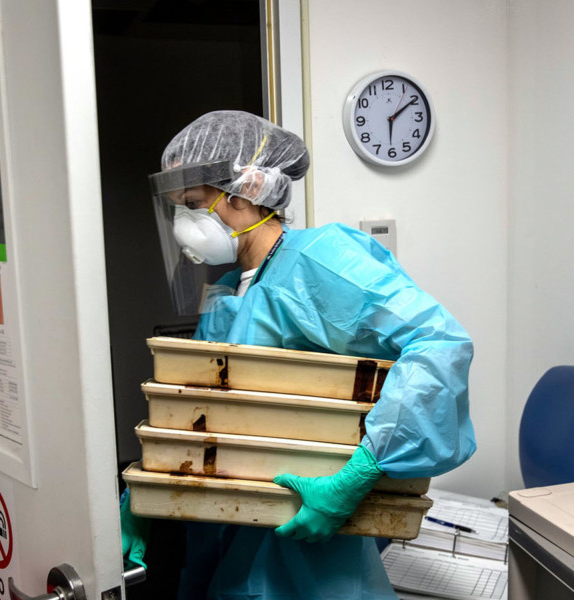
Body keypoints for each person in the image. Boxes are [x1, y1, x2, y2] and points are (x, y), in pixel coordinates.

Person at [126, 110, 475, 599]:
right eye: (176, 208)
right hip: (235, 531)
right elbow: (206, 407)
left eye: (193, 203)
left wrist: (359, 474)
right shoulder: (229, 294)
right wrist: (150, 488)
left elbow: (439, 344)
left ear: (247, 189)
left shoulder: (317, 263)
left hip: (311, 542)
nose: (184, 221)